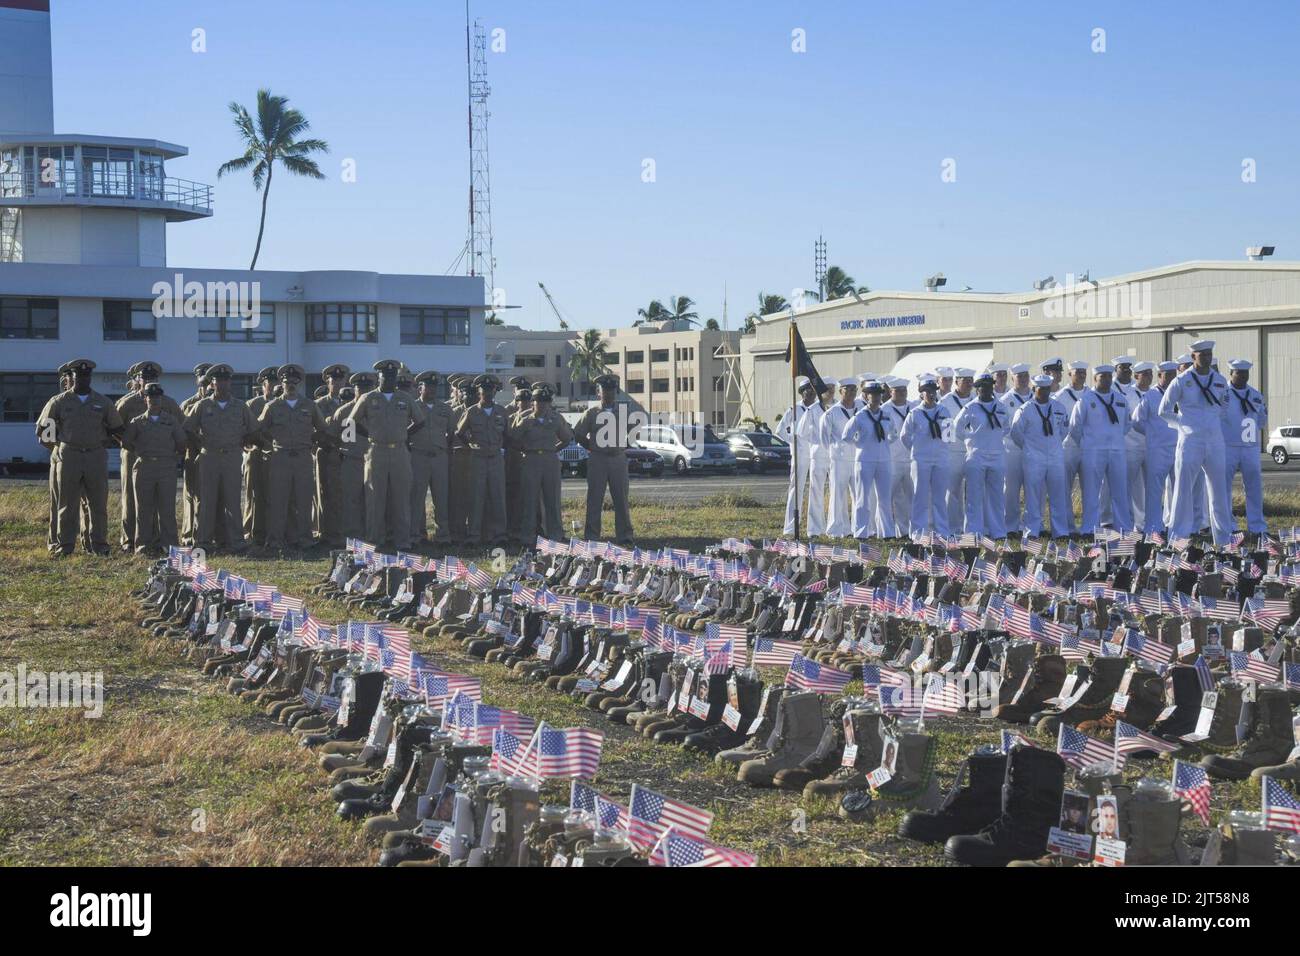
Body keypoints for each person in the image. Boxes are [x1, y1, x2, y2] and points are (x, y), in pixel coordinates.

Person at [37, 359, 123, 557]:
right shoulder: (59, 402)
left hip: (95, 456)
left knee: (98, 504)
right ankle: (65, 546)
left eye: (87, 376)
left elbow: (118, 430)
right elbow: (44, 432)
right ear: (72, 377)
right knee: (67, 504)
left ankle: (99, 545)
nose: (83, 379)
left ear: (90, 377)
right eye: (79, 376)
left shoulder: (103, 402)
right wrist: (59, 449)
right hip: (70, 457)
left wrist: (105, 444)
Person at [1159, 341, 1233, 545]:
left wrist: (1214, 419)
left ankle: (1224, 538)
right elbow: (1163, 410)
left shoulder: (1219, 380)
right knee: (1183, 489)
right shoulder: (1181, 381)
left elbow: (1225, 404)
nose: (1207, 358)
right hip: (1190, 440)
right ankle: (1178, 537)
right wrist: (1183, 424)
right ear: (1193, 357)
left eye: (1209, 354)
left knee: (1219, 489)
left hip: (1215, 440)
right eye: (1203, 355)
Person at [256, 364, 336, 553]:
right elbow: (260, 429)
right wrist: (271, 443)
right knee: (278, 500)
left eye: (294, 382)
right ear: (282, 383)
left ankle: (305, 539)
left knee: (303, 499)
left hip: (302, 458)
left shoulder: (309, 405)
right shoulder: (272, 406)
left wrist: (311, 440)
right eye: (287, 382)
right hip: (280, 457)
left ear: (299, 384)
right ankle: (275, 540)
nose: (290, 385)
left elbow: (322, 429)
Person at [348, 359, 426, 551]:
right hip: (376, 451)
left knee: (401, 498)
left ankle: (402, 541)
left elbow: (420, 421)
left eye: (392, 376)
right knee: (375, 497)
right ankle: (374, 540)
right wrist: (370, 434)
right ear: (378, 377)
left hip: (399, 451)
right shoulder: (368, 398)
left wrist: (405, 434)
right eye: (385, 376)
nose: (389, 379)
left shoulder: (405, 398)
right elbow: (351, 421)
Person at [186, 364, 257, 554]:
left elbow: (253, 430)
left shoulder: (240, 406)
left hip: (232, 457)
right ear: (212, 383)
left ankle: (236, 541)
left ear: (230, 382)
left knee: (232, 500)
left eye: (226, 380)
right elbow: (187, 428)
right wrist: (198, 443)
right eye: (218, 381)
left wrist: (244, 441)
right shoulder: (202, 405)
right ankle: (204, 541)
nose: (223, 384)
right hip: (209, 456)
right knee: (206, 500)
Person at [115, 361, 182, 552]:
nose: (148, 381)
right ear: (137, 379)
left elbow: (180, 427)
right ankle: (130, 540)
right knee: (132, 500)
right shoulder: (127, 403)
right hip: (134, 457)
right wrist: (135, 446)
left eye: (153, 378)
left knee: (162, 503)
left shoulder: (167, 402)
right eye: (145, 378)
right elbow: (114, 428)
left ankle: (160, 540)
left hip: (162, 459)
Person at [1070, 364, 1133, 535]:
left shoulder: (1120, 399)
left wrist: (1115, 439)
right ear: (1095, 379)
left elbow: (1127, 425)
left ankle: (1123, 527)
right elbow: (1075, 427)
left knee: (1120, 491)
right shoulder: (1085, 400)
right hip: (1093, 451)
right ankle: (1090, 528)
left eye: (1108, 376)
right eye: (1102, 376)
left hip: (1116, 451)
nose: (1106, 379)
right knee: (1091, 492)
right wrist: (1086, 444)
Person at [572, 373, 634, 544]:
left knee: (621, 498)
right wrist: (591, 446)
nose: (608, 394)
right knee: (595, 499)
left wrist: (622, 447)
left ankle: (625, 535)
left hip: (618, 459)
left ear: (615, 392)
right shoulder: (591, 413)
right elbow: (577, 434)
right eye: (604, 391)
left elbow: (634, 432)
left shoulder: (623, 412)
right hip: (598, 459)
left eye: (611, 390)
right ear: (598, 393)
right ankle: (592, 536)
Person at [510, 383, 574, 544]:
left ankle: (555, 535)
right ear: (533, 403)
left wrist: (553, 449)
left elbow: (566, 438)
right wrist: (525, 449)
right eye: (540, 402)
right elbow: (513, 439)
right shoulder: (524, 418)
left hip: (550, 460)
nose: (543, 405)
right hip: (531, 460)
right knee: (529, 500)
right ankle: (527, 536)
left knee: (552, 499)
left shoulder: (556, 418)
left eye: (546, 402)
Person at [1010, 375, 1070, 538]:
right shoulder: (1025, 409)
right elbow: (1015, 433)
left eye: (1046, 388)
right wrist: (1029, 448)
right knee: (1033, 496)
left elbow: (1064, 431)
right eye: (1040, 388)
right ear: (1034, 389)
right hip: (1034, 458)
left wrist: (1054, 445)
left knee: (1058, 495)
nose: (1043, 392)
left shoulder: (1059, 407)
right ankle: (1032, 531)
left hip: (1055, 456)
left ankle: (1061, 531)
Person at [953, 373, 1009, 538]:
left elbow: (1006, 427)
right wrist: (971, 441)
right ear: (977, 389)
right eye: (982, 387)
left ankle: (998, 531)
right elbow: (957, 429)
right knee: (974, 496)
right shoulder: (970, 408)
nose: (986, 390)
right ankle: (973, 532)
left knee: (997, 496)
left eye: (989, 386)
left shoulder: (1001, 407)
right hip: (976, 455)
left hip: (997, 454)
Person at [455, 374, 506, 547]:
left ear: (494, 392)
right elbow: (459, 433)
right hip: (478, 458)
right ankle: (474, 535)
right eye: (485, 391)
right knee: (476, 497)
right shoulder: (472, 411)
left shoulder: (501, 411)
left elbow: (507, 434)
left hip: (496, 458)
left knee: (498, 496)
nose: (488, 394)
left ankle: (499, 534)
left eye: (491, 391)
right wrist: (471, 445)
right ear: (479, 392)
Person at [842, 380, 897, 539]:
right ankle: (861, 532)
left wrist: (885, 444)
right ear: (866, 396)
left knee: (885, 498)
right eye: (872, 395)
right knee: (862, 498)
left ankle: (887, 533)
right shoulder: (859, 416)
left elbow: (894, 435)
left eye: (878, 394)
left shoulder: (886, 416)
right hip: (865, 459)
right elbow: (846, 436)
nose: (876, 398)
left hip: (884, 460)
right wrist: (860, 443)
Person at [899, 377, 951, 540]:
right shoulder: (915, 413)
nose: (931, 394)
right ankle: (918, 532)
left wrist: (941, 450)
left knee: (939, 496)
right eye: (927, 391)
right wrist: (916, 450)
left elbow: (949, 436)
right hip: (921, 460)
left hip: (940, 459)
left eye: (933, 391)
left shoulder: (944, 411)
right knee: (919, 496)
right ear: (921, 394)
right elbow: (904, 437)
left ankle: (942, 531)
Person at [1221, 358, 1267, 541]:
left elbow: (1262, 421)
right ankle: (1229, 526)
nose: (1243, 376)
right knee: (1224, 488)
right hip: (1228, 446)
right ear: (1231, 374)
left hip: (1250, 447)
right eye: (1239, 373)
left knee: (1254, 487)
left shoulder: (1255, 395)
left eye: (1245, 373)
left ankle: (1257, 526)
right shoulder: (1222, 394)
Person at [1132, 361, 1180, 536]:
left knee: (1178, 490)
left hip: (1178, 447)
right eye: (1167, 375)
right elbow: (1136, 421)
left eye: (1174, 375)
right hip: (1157, 449)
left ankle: (1176, 525)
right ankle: (1154, 526)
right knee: (1154, 490)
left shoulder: (1179, 393)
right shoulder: (1150, 396)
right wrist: (1152, 434)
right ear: (1160, 376)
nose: (1171, 379)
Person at [410, 370, 454, 546]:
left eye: (435, 386)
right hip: (418, 456)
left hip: (439, 457)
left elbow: (451, 433)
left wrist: (443, 450)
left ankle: (442, 535)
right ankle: (415, 535)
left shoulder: (445, 408)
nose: (432, 390)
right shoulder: (412, 406)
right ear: (421, 387)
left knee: (441, 498)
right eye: (428, 386)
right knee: (416, 498)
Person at [777, 376, 824, 536]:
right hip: (800, 453)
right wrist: (793, 439)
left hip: (816, 452)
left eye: (813, 392)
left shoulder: (820, 409)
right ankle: (790, 526)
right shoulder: (794, 409)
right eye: (807, 392)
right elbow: (780, 430)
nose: (810, 395)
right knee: (796, 489)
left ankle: (815, 527)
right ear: (802, 393)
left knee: (816, 488)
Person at [333, 371, 375, 542]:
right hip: (353, 460)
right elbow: (344, 439)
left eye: (367, 388)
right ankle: (353, 537)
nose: (364, 392)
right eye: (360, 388)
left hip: (374, 460)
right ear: (354, 389)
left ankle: (372, 536)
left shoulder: (378, 407)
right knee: (352, 500)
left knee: (373, 500)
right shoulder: (345, 412)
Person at [313, 363, 351, 548]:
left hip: (347, 455)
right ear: (327, 382)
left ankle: (344, 532)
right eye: (333, 380)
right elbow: (314, 431)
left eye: (340, 380)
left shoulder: (351, 403)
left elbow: (352, 432)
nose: (337, 383)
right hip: (327, 454)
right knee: (325, 494)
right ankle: (325, 534)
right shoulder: (320, 405)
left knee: (346, 494)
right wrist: (328, 443)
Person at [242, 366, 277, 546]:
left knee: (276, 495)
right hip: (255, 454)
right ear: (263, 385)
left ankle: (274, 531)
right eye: (268, 383)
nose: (271, 386)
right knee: (254, 495)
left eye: (275, 383)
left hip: (278, 455)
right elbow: (246, 431)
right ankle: (251, 531)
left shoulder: (283, 403)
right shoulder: (252, 405)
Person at [1054, 361, 1089, 535]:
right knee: (1064, 488)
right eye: (1078, 372)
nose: (1081, 375)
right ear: (1070, 374)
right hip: (1068, 447)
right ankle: (1067, 527)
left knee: (1090, 488)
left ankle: (1089, 526)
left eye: (1084, 372)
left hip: (1089, 448)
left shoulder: (1092, 394)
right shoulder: (1060, 396)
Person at [179, 363, 213, 546]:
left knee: (209, 497)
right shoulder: (187, 405)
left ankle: (208, 535)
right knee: (191, 497)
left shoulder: (214, 403)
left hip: (211, 456)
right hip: (192, 455)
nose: (205, 388)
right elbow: (181, 432)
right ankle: (188, 535)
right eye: (202, 383)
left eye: (208, 384)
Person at [820, 379, 859, 537]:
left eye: (853, 389)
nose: (851, 393)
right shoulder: (832, 412)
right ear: (840, 391)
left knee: (859, 495)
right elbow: (824, 439)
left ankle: (858, 528)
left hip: (857, 457)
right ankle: (836, 529)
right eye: (847, 389)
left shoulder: (861, 409)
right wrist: (835, 452)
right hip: (839, 459)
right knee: (837, 495)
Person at [940, 369, 976, 533]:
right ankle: (953, 528)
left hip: (974, 452)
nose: (969, 383)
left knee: (974, 493)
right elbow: (946, 433)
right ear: (956, 382)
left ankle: (972, 528)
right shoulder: (946, 402)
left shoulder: (977, 399)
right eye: (965, 380)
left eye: (971, 380)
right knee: (952, 492)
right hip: (954, 452)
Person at [1001, 363, 1033, 534]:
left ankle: (1032, 525)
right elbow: (1003, 427)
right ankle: (1011, 526)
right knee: (1011, 490)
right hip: (1012, 450)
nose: (1023, 379)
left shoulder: (1036, 397)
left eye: (1025, 376)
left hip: (1034, 450)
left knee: (1034, 489)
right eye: (1019, 376)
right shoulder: (1005, 401)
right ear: (1012, 378)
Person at [883, 377, 915, 538]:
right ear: (890, 392)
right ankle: (887, 532)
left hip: (911, 458)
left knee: (911, 497)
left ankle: (909, 531)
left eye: (904, 390)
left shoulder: (914, 407)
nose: (902, 393)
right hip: (892, 459)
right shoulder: (884, 410)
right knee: (889, 497)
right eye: (898, 390)